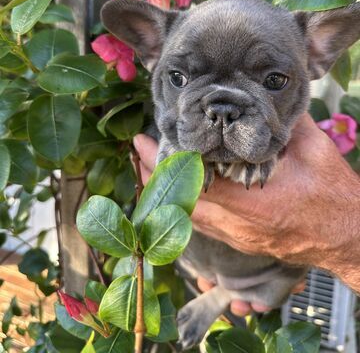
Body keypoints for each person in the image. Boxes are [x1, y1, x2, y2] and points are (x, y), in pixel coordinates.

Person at [133, 113, 360, 316]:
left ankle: (221, 296)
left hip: (259, 276)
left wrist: (337, 236)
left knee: (270, 294)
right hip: (194, 257)